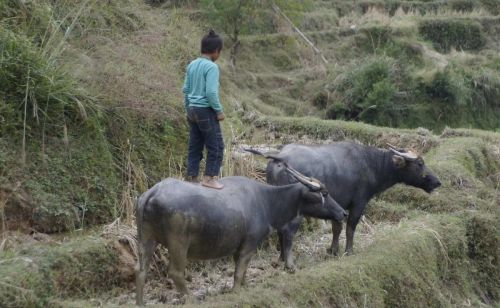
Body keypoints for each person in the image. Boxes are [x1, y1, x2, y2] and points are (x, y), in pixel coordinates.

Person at [183, 29, 225, 189]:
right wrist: (219, 111)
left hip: (192, 110)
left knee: (195, 145)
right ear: (216, 51)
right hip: (205, 110)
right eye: (219, 52)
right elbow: (211, 92)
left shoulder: (192, 65)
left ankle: (191, 177)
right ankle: (209, 178)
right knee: (216, 146)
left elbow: (185, 89)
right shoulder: (212, 67)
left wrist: (188, 107)